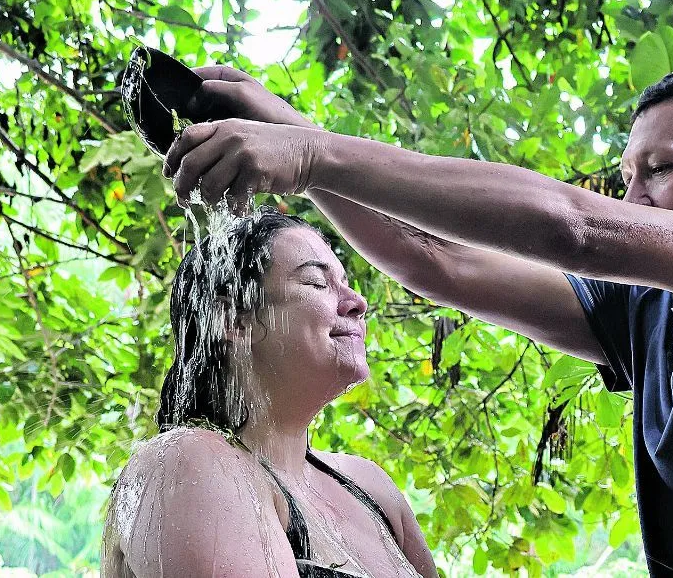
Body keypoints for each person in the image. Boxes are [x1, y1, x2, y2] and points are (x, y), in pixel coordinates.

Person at [167, 65, 673, 576]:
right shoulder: (645, 312)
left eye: (661, 170)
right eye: (627, 178)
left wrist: (310, 153)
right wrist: (290, 128)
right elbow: (437, 262)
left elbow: (576, 228)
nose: (635, 197)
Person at [101, 208, 436, 578]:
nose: (357, 302)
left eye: (345, 281)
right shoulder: (184, 462)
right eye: (315, 283)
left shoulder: (370, 486)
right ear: (233, 320)